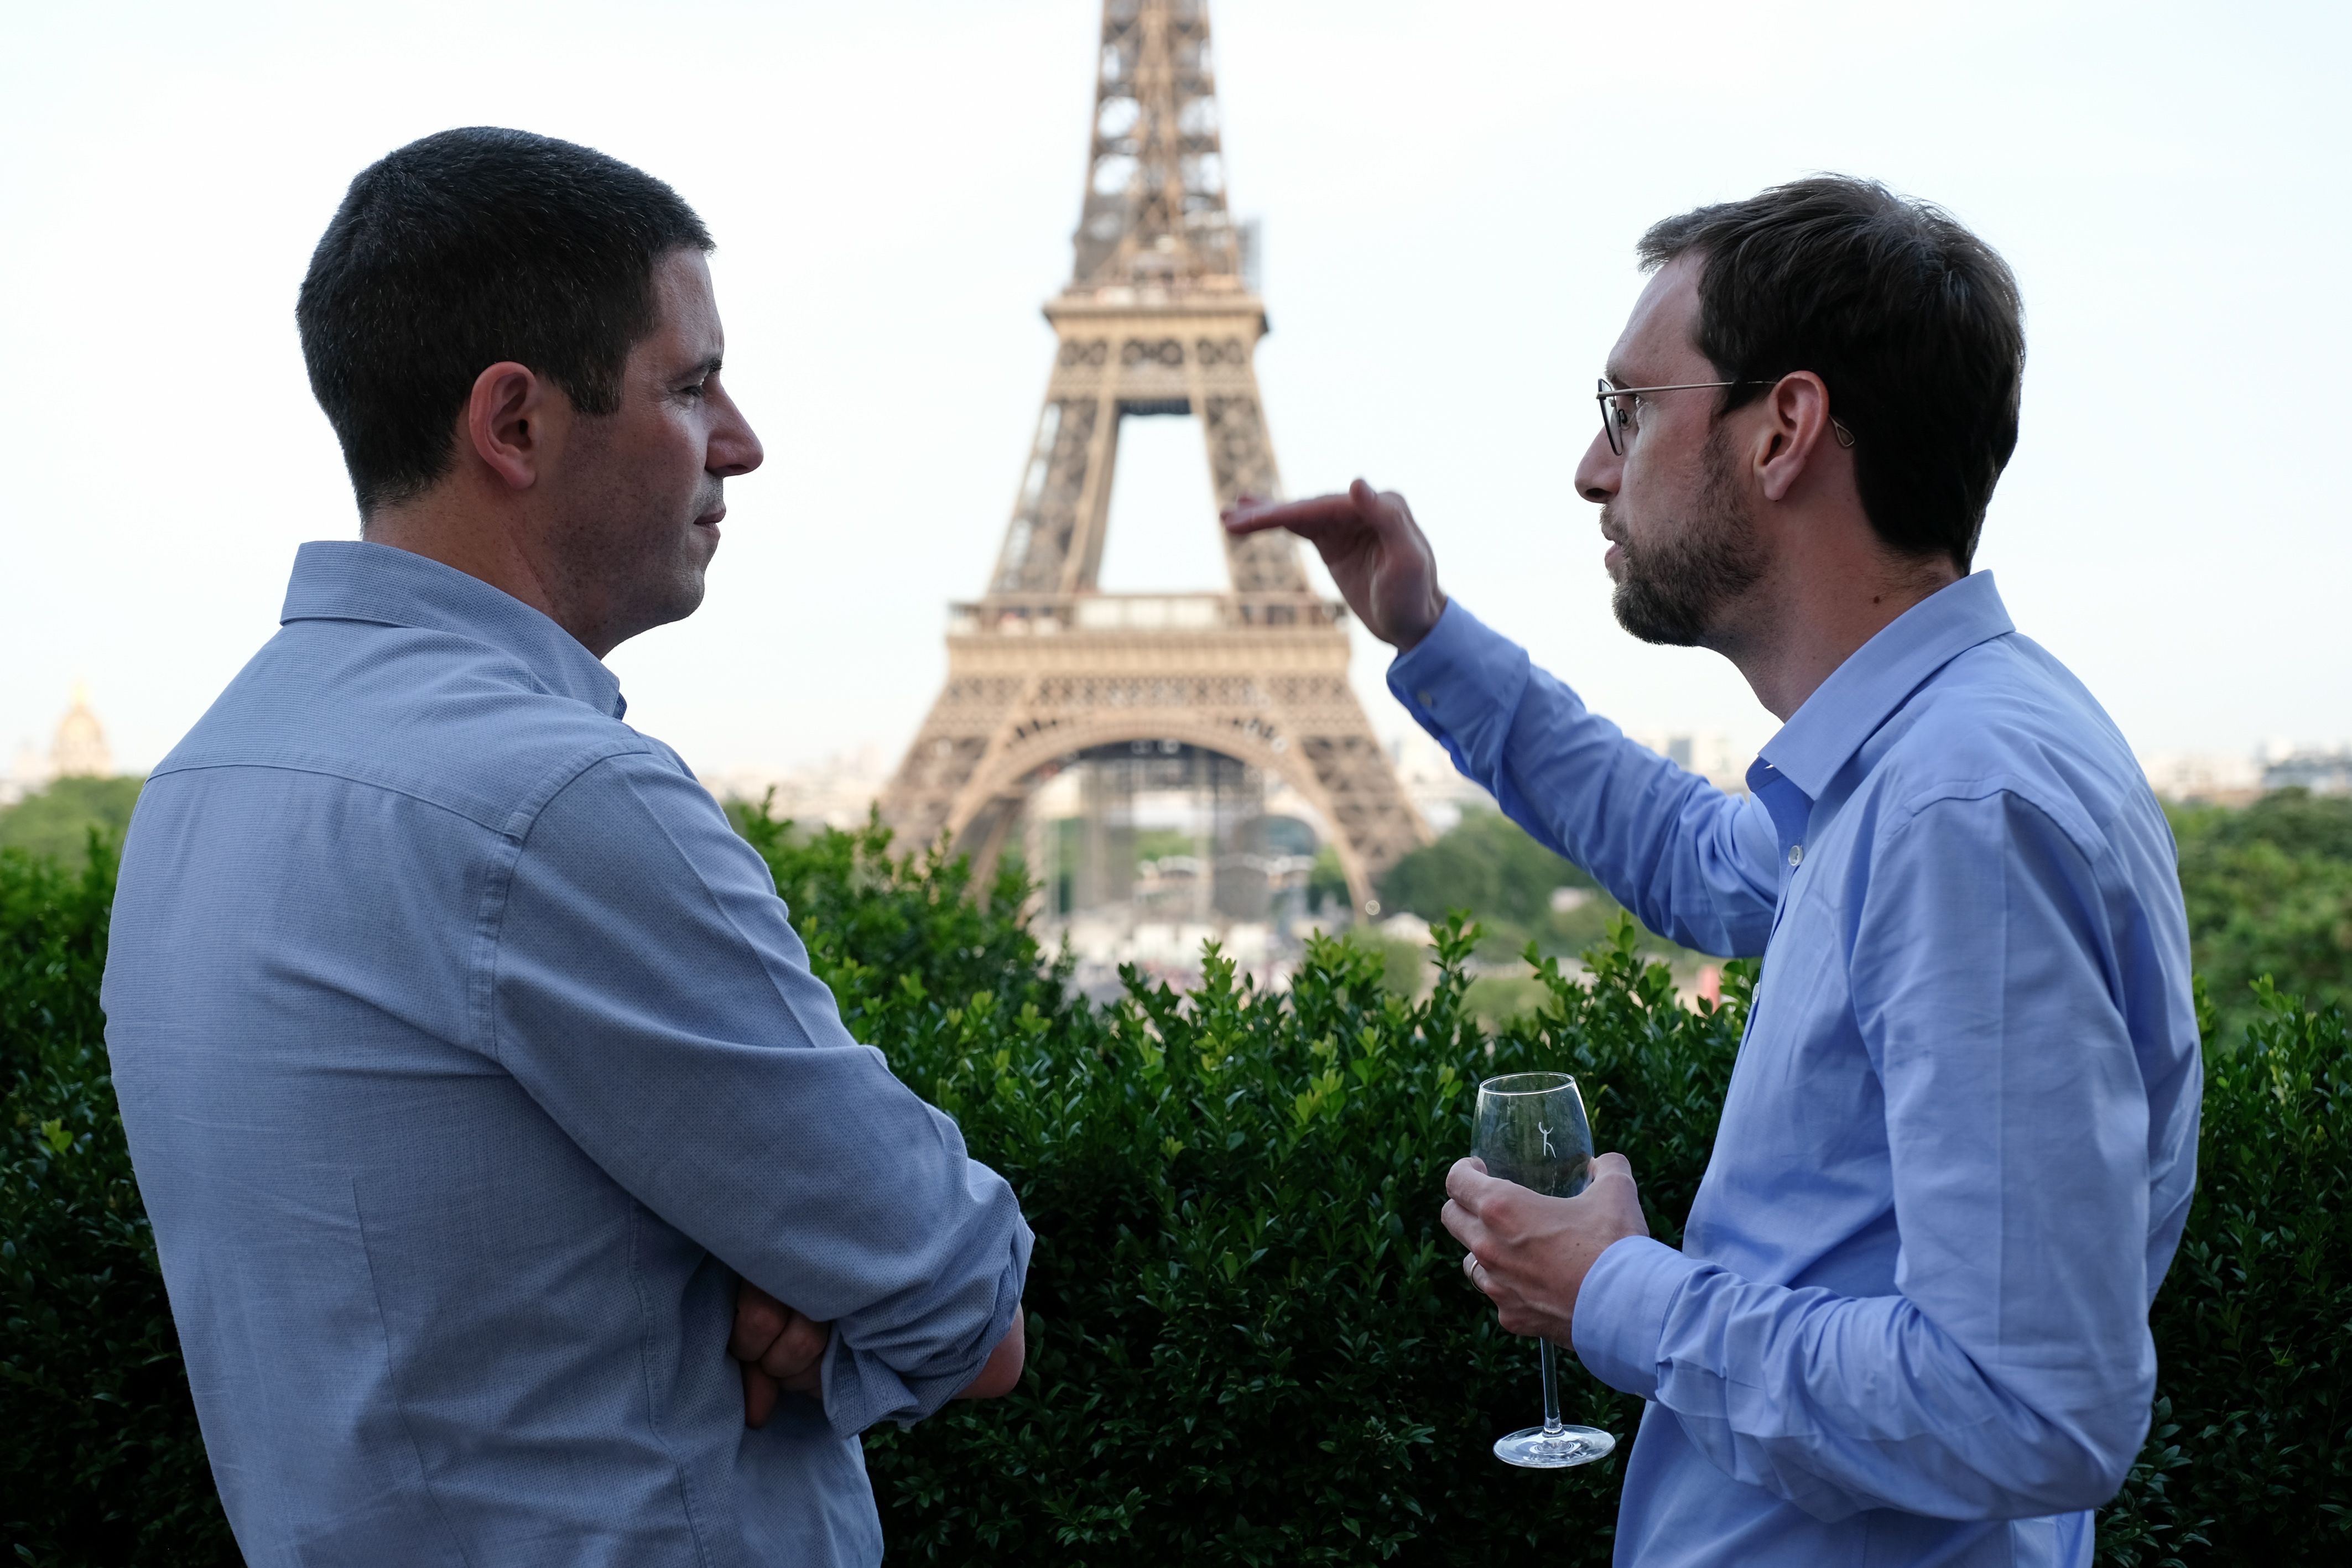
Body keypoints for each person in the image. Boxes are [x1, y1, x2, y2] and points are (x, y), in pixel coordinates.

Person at [1227, 176, 2199, 1566]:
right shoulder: (1916, 760)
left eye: (1629, 408)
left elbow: (2024, 1407)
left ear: (1783, 429)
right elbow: (1693, 852)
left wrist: (1613, 1290)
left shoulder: (1956, 807)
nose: (1589, 465)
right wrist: (1426, 635)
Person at [101, 127, 1029, 1568]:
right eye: (690, 382)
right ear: (516, 424)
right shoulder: (555, 803)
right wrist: (795, 1291)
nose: (739, 440)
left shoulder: (203, 782)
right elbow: (967, 1309)